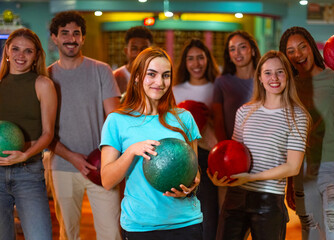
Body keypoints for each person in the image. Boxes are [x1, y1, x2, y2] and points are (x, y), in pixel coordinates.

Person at [100, 47, 203, 240]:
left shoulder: (184, 119)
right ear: (137, 76)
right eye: (151, 74)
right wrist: (131, 151)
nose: (159, 82)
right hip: (141, 227)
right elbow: (107, 180)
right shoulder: (117, 121)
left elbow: (193, 169)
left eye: (166, 75)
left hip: (187, 223)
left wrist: (192, 186)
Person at [208, 50, 310, 240]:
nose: (274, 78)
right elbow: (232, 155)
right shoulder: (244, 112)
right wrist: (219, 176)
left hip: (269, 200)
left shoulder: (298, 117)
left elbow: (293, 167)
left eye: (280, 72)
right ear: (260, 78)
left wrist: (251, 178)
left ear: (287, 75)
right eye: (268, 73)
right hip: (236, 197)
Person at [279, 26, 334, 240]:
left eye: (302, 47)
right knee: (312, 234)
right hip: (303, 172)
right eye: (291, 50)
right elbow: (289, 136)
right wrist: (289, 180)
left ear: (312, 47)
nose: (298, 54)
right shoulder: (288, 86)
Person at [47, 11, 121, 240]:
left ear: (83, 38)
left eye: (76, 33)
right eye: (65, 33)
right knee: (68, 233)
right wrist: (72, 157)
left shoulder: (101, 70)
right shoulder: (46, 77)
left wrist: (108, 158)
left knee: (111, 233)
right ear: (54, 38)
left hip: (102, 166)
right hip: (63, 166)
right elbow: (44, 130)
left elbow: (114, 119)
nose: (71, 38)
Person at [0, 28, 57, 240]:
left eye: (28, 51)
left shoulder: (43, 84)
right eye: (15, 49)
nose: (20, 56)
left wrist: (25, 154)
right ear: (7, 50)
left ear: (36, 56)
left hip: (28, 172)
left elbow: (48, 133)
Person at [173, 38, 219, 240]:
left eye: (200, 58)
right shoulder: (174, 90)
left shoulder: (217, 87)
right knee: (182, 213)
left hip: (209, 154)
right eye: (190, 59)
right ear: (185, 63)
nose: (196, 63)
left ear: (208, 60)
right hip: (182, 155)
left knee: (209, 215)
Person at [212, 30, 261, 209]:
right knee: (229, 211)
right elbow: (218, 120)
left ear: (253, 50)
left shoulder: (265, 79)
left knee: (256, 211)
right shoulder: (222, 82)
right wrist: (225, 153)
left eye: (242, 47)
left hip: (260, 156)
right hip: (231, 157)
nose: (237, 53)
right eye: (232, 49)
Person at [113, 26, 153, 93]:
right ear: (126, 51)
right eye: (134, 49)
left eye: (144, 49)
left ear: (151, 51)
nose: (139, 53)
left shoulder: (158, 77)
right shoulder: (115, 77)